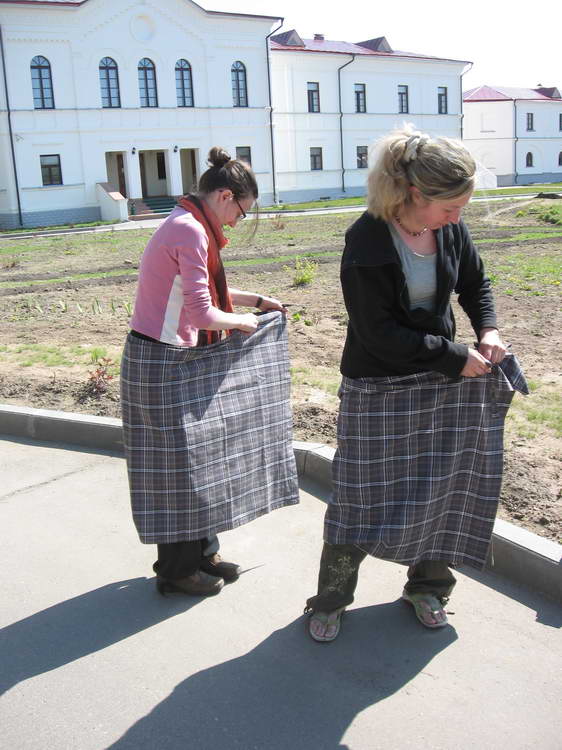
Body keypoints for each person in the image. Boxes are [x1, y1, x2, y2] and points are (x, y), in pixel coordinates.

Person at [305, 125, 524, 641]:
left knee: (442, 487)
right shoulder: (367, 238)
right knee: (358, 497)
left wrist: (488, 330)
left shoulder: (448, 229)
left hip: (441, 381)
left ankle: (428, 589)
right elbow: (376, 333)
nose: (457, 219)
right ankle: (331, 599)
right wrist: (453, 355)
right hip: (377, 386)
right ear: (414, 194)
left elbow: (475, 283)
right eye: (451, 208)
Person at [121, 147, 295, 597]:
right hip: (159, 362)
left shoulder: (191, 224)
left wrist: (256, 301)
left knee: (201, 456)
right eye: (241, 211)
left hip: (173, 357)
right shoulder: (189, 230)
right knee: (177, 468)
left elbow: (203, 292)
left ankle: (204, 555)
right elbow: (202, 312)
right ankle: (177, 570)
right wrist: (245, 322)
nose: (237, 221)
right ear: (224, 196)